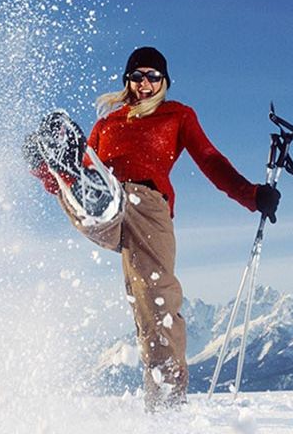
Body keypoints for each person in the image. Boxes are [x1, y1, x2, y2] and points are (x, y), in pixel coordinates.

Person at [33, 46, 280, 411]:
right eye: (137, 77)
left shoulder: (177, 115)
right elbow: (91, 164)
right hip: (108, 197)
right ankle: (57, 168)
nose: (144, 84)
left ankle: (166, 409)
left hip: (148, 208)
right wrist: (52, 177)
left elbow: (210, 160)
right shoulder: (107, 123)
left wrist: (251, 195)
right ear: (127, 82)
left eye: (152, 76)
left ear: (164, 81)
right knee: (83, 181)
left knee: (154, 304)